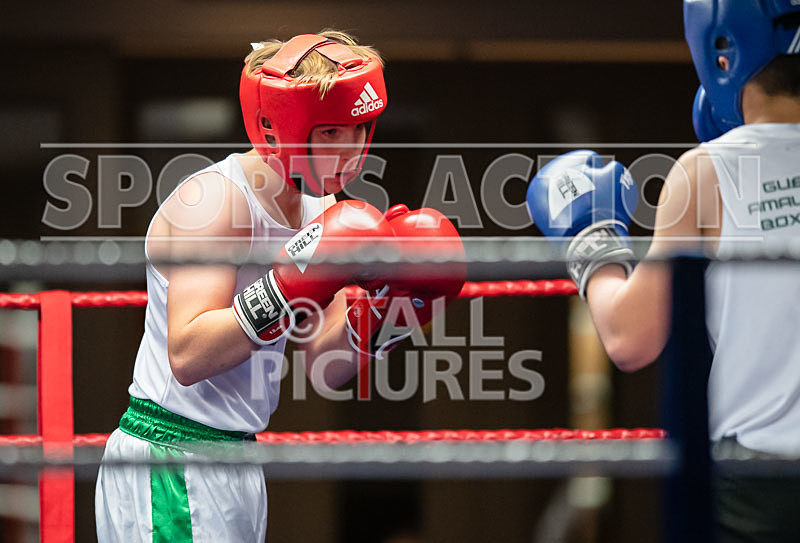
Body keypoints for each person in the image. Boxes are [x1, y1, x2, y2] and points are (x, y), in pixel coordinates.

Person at [95, 30, 465, 542]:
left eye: (361, 129)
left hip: (238, 456)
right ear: (281, 127)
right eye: (333, 132)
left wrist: (390, 310)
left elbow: (324, 365)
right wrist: (289, 284)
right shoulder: (215, 202)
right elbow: (188, 354)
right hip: (171, 455)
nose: (353, 150)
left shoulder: (326, 209)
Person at [526, 2, 800, 541]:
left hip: (757, 485)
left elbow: (631, 338)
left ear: (720, 45)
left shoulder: (707, 171)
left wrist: (591, 239)